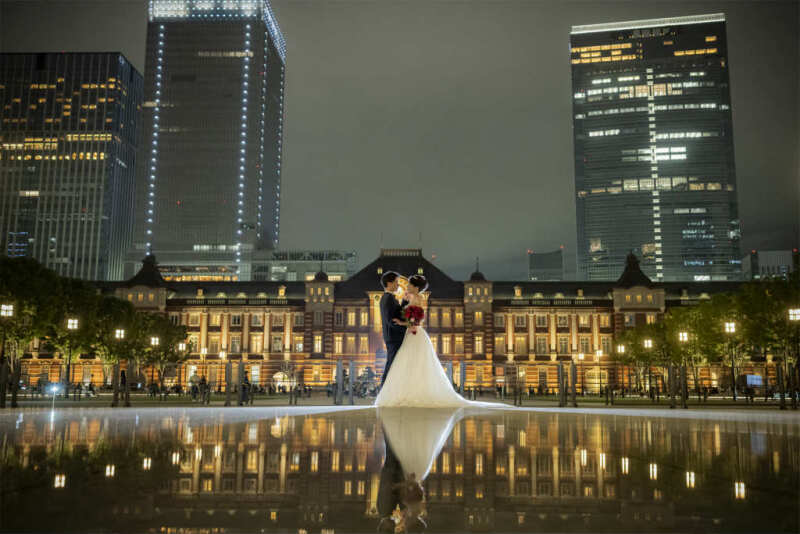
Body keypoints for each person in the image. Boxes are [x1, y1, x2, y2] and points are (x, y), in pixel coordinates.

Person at [375, 274, 498, 409]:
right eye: (399, 282)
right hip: (406, 336)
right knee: (406, 365)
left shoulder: (417, 299)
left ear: (416, 288)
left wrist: (402, 322)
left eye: (409, 284)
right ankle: (403, 393)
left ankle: (403, 394)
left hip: (413, 334)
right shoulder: (400, 298)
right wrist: (403, 312)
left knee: (407, 364)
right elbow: (399, 316)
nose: (404, 286)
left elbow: (415, 322)